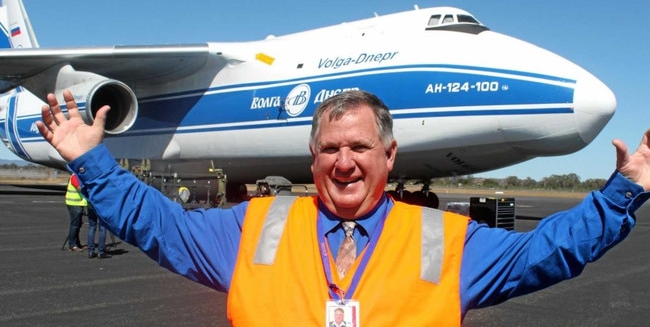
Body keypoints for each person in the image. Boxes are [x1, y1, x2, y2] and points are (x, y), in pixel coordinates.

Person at [37, 89, 650, 326]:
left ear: (389, 156)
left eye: (359, 146)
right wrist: (91, 162)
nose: (344, 161)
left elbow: (548, 250)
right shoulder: (255, 228)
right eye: (329, 148)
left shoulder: (443, 239)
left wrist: (623, 192)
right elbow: (159, 225)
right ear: (312, 160)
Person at [64, 173, 87, 251]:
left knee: (78, 224)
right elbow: (79, 188)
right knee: (75, 225)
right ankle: (72, 245)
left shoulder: (79, 176)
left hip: (78, 203)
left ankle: (77, 243)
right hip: (73, 203)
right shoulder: (75, 176)